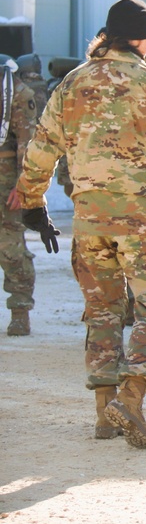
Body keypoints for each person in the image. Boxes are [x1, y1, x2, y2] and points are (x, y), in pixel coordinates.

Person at [15, 0, 146, 447]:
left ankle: (103, 412)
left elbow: (41, 147)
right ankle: (131, 397)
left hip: (91, 222)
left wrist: (33, 202)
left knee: (102, 313)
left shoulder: (72, 83)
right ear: (144, 39)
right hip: (143, 221)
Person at [0, 56, 39, 336]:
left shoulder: (14, 91)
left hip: (6, 180)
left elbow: (28, 142)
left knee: (10, 246)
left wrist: (23, 185)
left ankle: (20, 310)